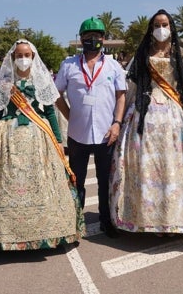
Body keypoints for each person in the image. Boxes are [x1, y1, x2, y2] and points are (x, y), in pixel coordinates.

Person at [0, 40, 85, 250]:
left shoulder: (43, 82)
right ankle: (2, 234)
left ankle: (48, 232)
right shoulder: (3, 84)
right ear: (12, 58)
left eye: (27, 54)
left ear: (34, 57)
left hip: (39, 138)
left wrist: (57, 140)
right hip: (7, 137)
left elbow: (49, 114)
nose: (23, 59)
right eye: (19, 55)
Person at [109, 9, 183, 236]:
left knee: (176, 168)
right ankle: (151, 220)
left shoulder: (180, 54)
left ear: (171, 27)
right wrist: (121, 119)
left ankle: (176, 218)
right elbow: (134, 87)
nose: (162, 28)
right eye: (158, 24)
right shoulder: (142, 54)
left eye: (166, 24)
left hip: (175, 114)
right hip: (145, 115)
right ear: (152, 28)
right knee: (149, 170)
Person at [55, 17, 126, 238]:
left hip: (107, 134)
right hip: (78, 133)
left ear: (104, 39)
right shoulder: (68, 65)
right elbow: (56, 94)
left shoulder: (113, 66)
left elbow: (121, 96)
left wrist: (117, 123)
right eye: (87, 36)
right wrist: (69, 115)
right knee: (77, 179)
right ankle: (76, 219)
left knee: (106, 180)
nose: (92, 39)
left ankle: (107, 219)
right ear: (81, 38)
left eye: (97, 36)